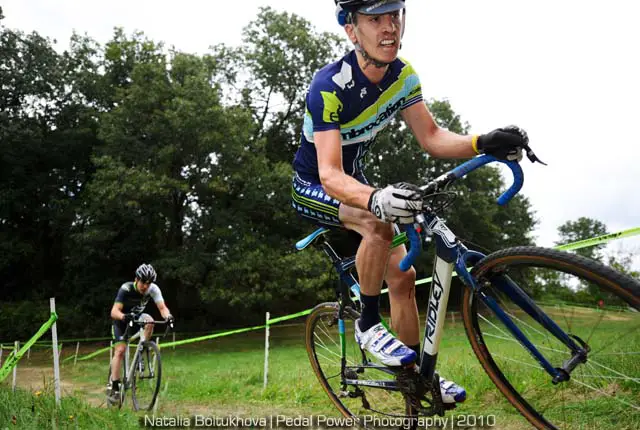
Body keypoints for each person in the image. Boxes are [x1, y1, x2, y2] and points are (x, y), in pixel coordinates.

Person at [291, 0, 529, 404]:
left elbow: (432, 136)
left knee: (401, 278)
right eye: (375, 19)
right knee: (376, 222)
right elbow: (330, 174)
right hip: (315, 183)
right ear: (352, 30)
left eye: (395, 16)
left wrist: (481, 142)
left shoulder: (403, 77)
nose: (389, 28)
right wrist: (375, 198)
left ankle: (418, 382)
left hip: (358, 183)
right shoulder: (329, 85)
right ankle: (368, 322)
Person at [106, 263, 174, 404]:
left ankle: (140, 354)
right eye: (143, 282)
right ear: (136, 279)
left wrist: (168, 317)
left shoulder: (153, 289)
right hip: (121, 320)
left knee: (150, 321)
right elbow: (114, 311)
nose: (145, 286)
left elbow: (162, 308)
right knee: (120, 350)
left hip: (136, 318)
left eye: (149, 283)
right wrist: (124, 316)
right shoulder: (126, 288)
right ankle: (114, 386)